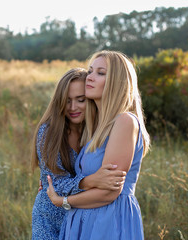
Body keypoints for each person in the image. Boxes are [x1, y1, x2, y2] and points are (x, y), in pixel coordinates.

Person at [47, 50, 151, 240]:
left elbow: (108, 193)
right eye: (91, 70)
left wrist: (62, 201)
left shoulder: (125, 121)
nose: (90, 77)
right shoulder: (97, 128)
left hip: (108, 221)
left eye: (100, 73)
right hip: (86, 221)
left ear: (118, 82)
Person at [31, 68, 127, 240]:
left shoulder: (98, 131)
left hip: (85, 217)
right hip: (51, 217)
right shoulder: (49, 132)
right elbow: (54, 186)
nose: (73, 107)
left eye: (80, 100)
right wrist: (90, 181)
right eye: (67, 101)